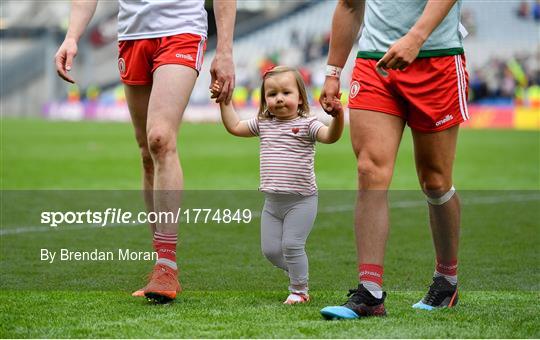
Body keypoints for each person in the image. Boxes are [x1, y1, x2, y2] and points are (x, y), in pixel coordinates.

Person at [55, 0, 236, 303]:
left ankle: (167, 266)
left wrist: (226, 50)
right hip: (132, 35)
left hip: (182, 29)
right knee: (146, 152)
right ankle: (159, 263)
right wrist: (72, 35)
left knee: (160, 139)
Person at [319, 0, 468, 319]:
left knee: (435, 181)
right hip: (376, 63)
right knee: (369, 170)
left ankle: (446, 281)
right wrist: (333, 71)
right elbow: (349, 5)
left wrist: (416, 38)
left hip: (435, 60)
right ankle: (369, 294)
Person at [212, 66, 344, 304]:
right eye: (272, 94)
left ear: (300, 97)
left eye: (286, 92)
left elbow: (330, 137)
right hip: (272, 203)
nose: (279, 98)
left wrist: (338, 116)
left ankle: (299, 290)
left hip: (301, 200)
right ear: (264, 99)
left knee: (292, 245)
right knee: (271, 252)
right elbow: (234, 126)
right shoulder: (263, 123)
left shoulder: (308, 124)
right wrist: (224, 101)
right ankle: (298, 271)